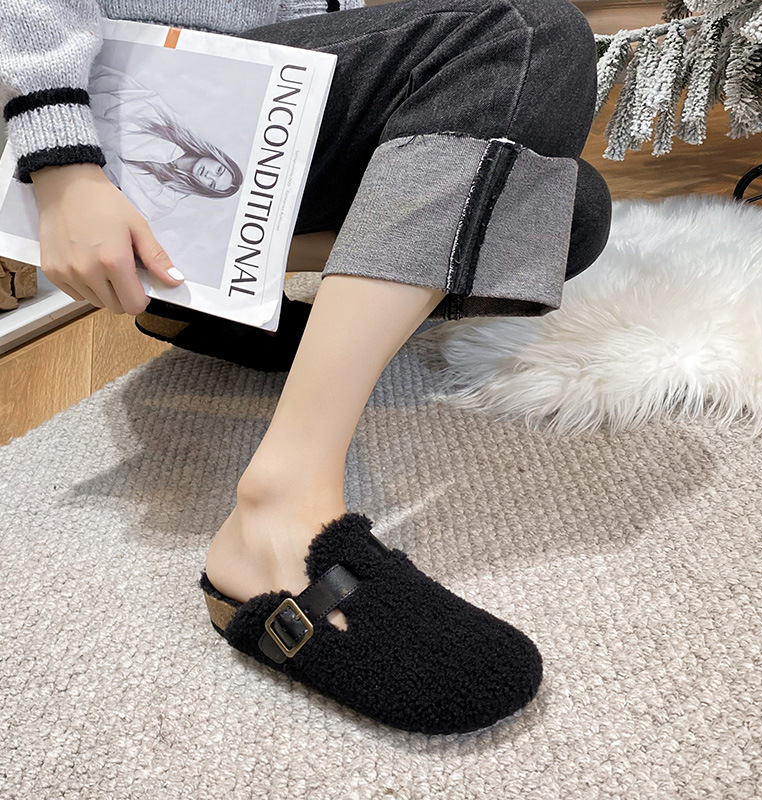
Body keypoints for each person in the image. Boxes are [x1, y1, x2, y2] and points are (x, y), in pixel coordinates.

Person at [0, 0, 613, 735]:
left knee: (566, 212)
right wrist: (62, 162)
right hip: (145, 97)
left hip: (264, 125)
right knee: (526, 34)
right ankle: (280, 502)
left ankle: (212, 283)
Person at [87, 61, 243, 221]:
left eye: (211, 184)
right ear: (217, 158)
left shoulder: (162, 201)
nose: (209, 175)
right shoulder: (172, 127)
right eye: (218, 171)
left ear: (205, 190)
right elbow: (122, 92)